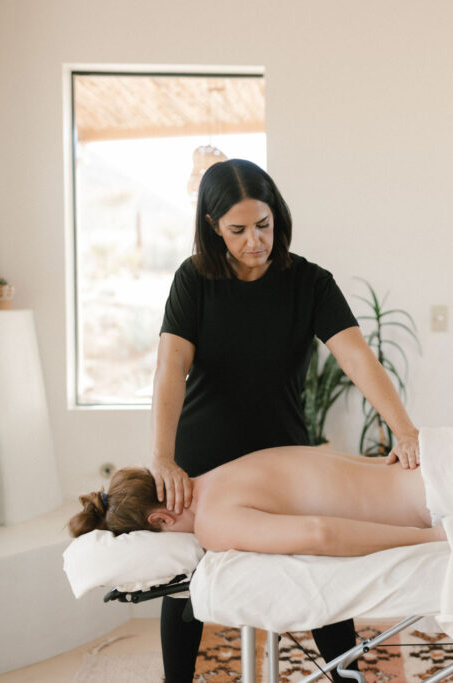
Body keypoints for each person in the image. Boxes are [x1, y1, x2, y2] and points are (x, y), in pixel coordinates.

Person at [149, 159, 421, 682]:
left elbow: (358, 359)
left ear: (278, 217)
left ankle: (346, 675)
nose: (255, 241)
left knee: (319, 563)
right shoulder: (194, 280)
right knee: (188, 576)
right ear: (211, 226)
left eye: (264, 225)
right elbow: (170, 368)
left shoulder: (310, 283)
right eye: (238, 230)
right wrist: (162, 456)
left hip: (283, 451)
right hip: (205, 451)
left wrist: (404, 430)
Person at [68, 445, 446, 554]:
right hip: (440, 457)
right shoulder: (229, 466)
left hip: (444, 498)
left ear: (161, 520)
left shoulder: (212, 524)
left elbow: (320, 534)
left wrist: (430, 540)